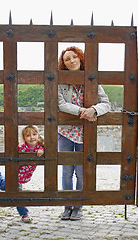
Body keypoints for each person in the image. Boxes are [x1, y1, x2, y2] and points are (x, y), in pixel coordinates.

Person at [58, 46, 111, 220]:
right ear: (63, 64)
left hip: (84, 132)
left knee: (81, 171)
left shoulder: (92, 80)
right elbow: (60, 104)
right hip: (65, 131)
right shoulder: (61, 81)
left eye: (74, 57)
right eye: (67, 59)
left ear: (80, 59)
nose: (71, 61)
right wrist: (83, 111)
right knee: (67, 171)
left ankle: (78, 206)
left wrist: (94, 110)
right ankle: (67, 206)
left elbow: (106, 104)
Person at [0, 125, 44, 223]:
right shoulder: (22, 147)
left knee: (10, 189)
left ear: (38, 135)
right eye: (28, 135)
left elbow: (48, 148)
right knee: (9, 189)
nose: (32, 137)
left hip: (24, 176)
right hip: (15, 174)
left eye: (34, 134)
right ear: (24, 138)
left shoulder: (40, 146)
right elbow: (12, 153)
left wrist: (42, 151)